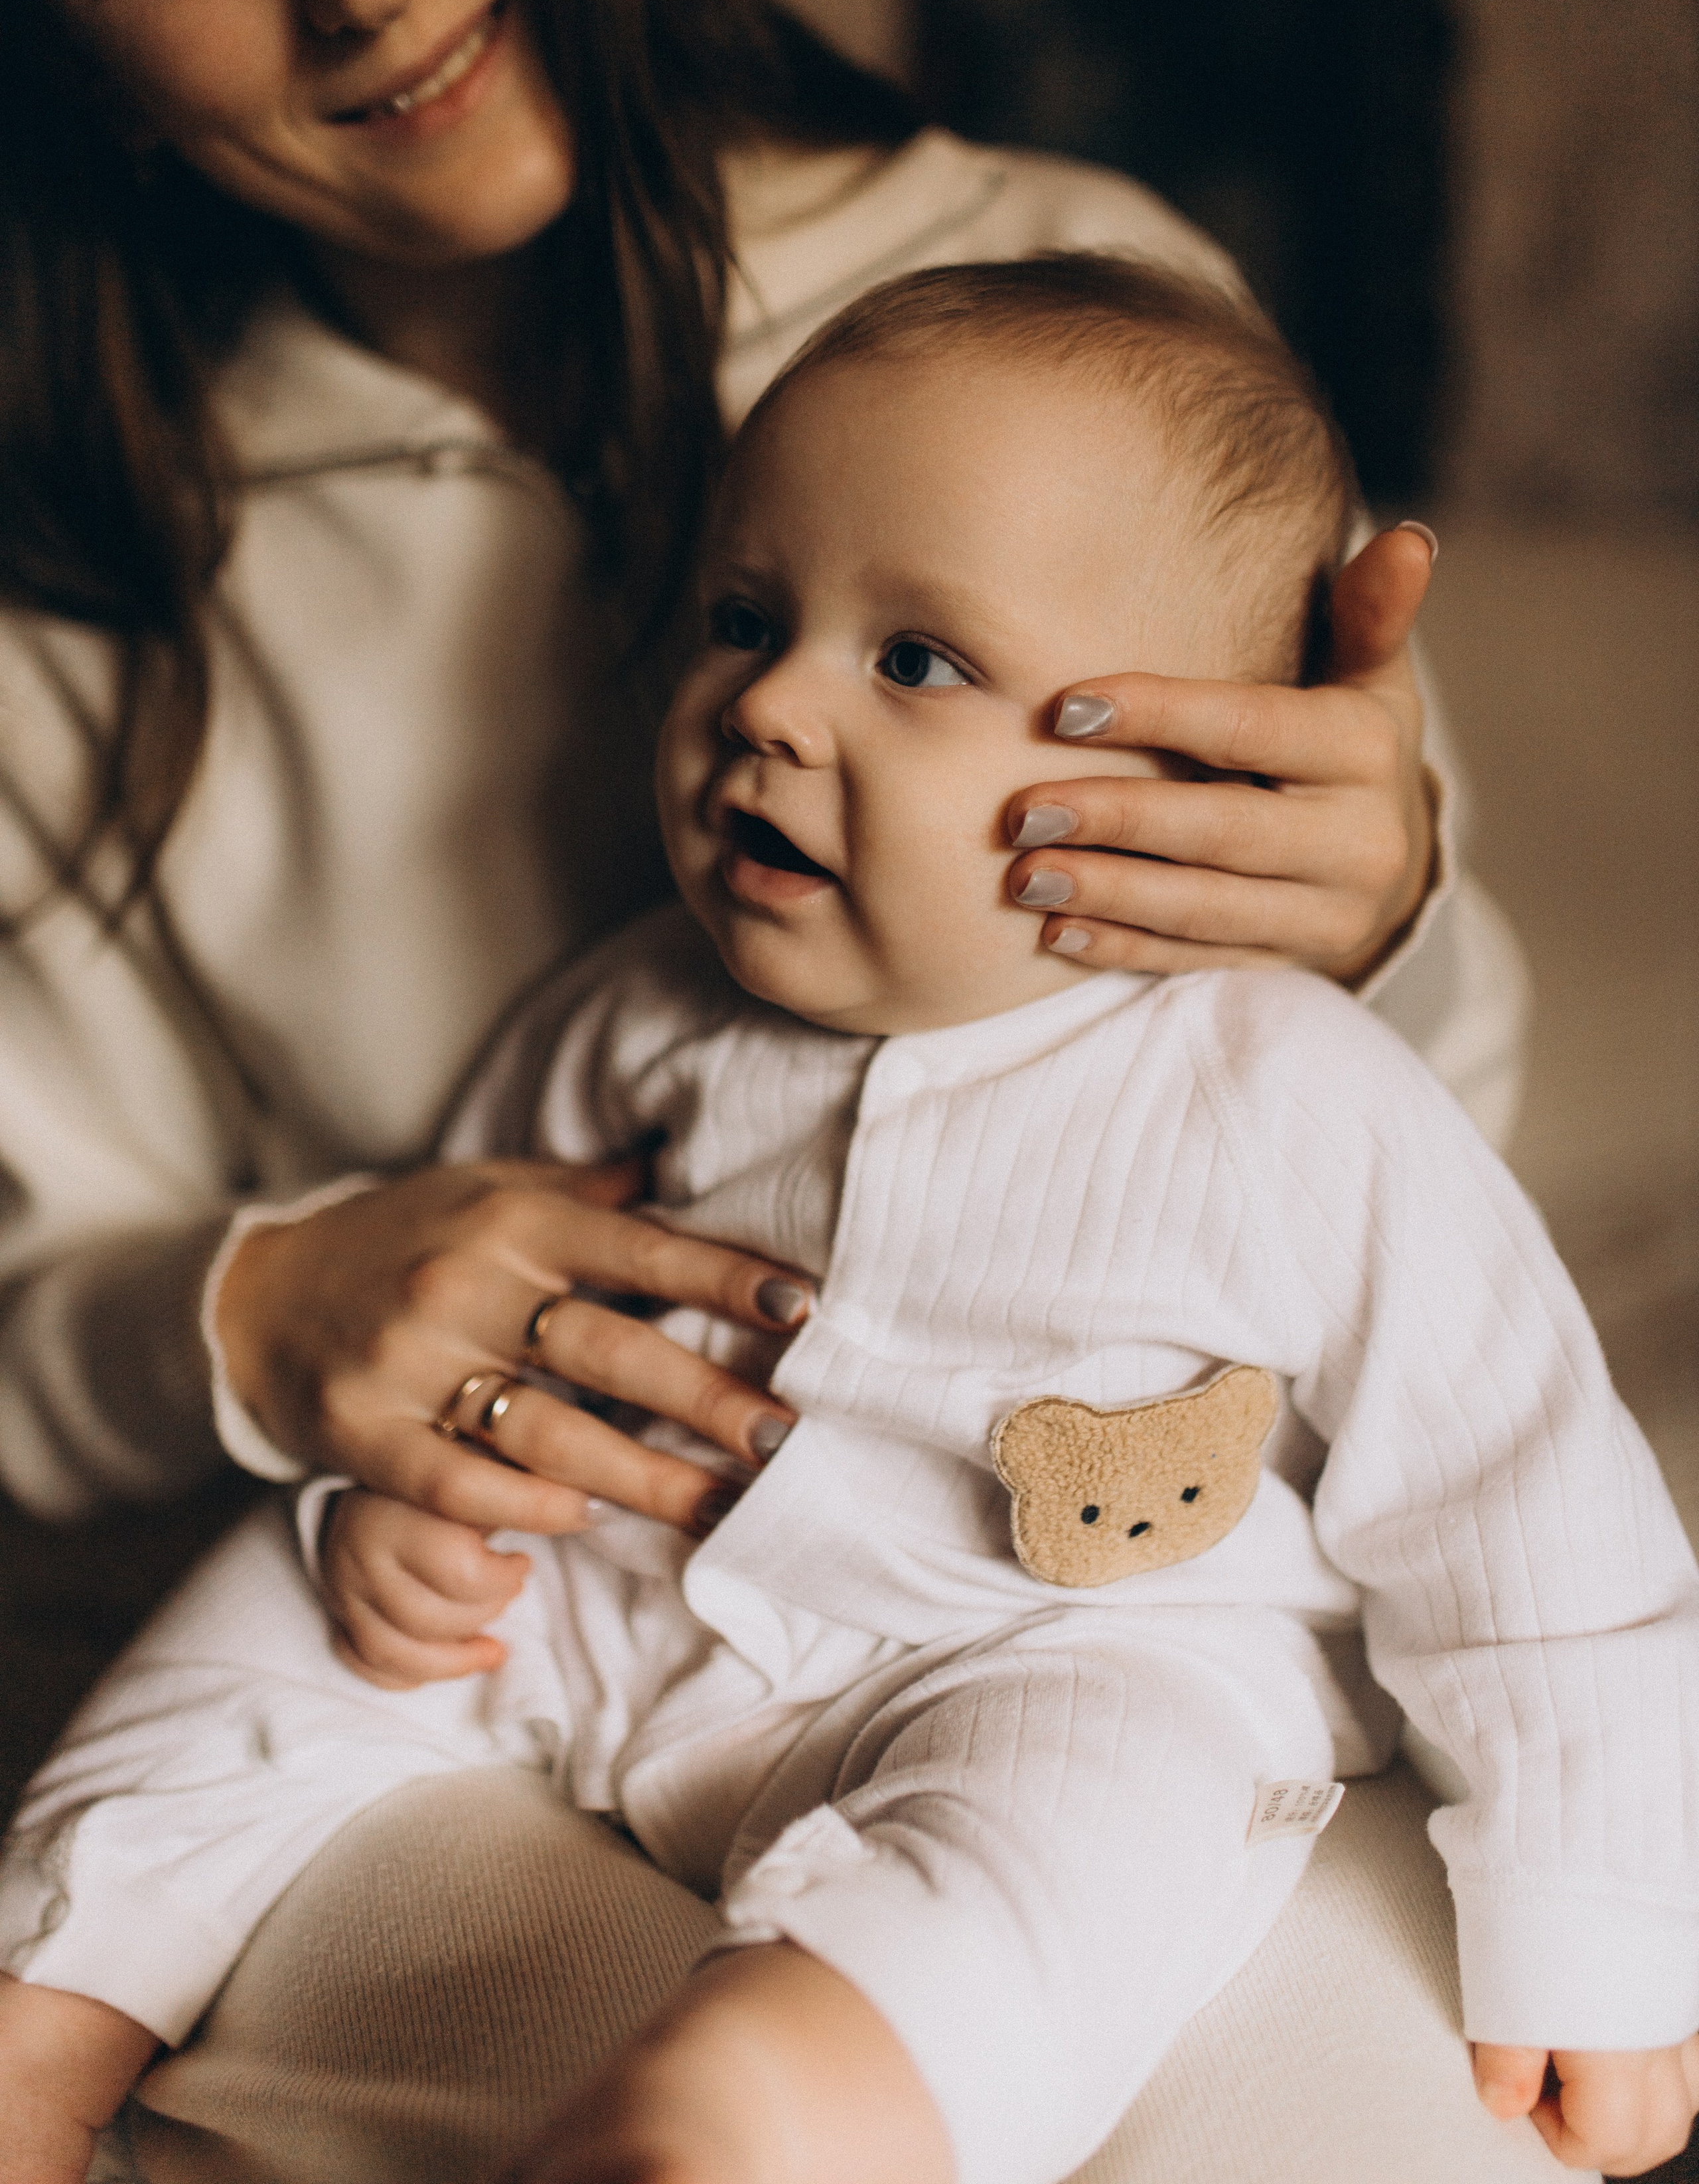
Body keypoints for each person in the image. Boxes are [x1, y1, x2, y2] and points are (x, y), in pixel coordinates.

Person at [3, 262, 1692, 2184]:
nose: (770, 706)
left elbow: (1523, 1508)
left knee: (1091, 1821)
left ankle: (763, 2101)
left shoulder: (1285, 1089)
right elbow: (489, 1337)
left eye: (916, 663)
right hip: (603, 1598)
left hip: (1038, 1648)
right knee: (284, 1608)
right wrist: (406, 1521)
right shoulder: (625, 1015)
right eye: (744, 619)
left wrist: (1598, 1925)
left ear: (1196, 777)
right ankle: (51, 2002)